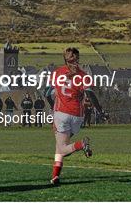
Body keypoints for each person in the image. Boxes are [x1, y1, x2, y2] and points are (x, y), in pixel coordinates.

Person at [45, 47, 106, 185]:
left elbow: (47, 93)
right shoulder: (84, 76)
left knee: (62, 148)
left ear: (64, 59)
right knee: (60, 146)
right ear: (78, 59)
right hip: (78, 116)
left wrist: (51, 105)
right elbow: (90, 94)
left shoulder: (57, 73)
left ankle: (81, 144)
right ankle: (55, 176)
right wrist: (100, 111)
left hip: (61, 114)